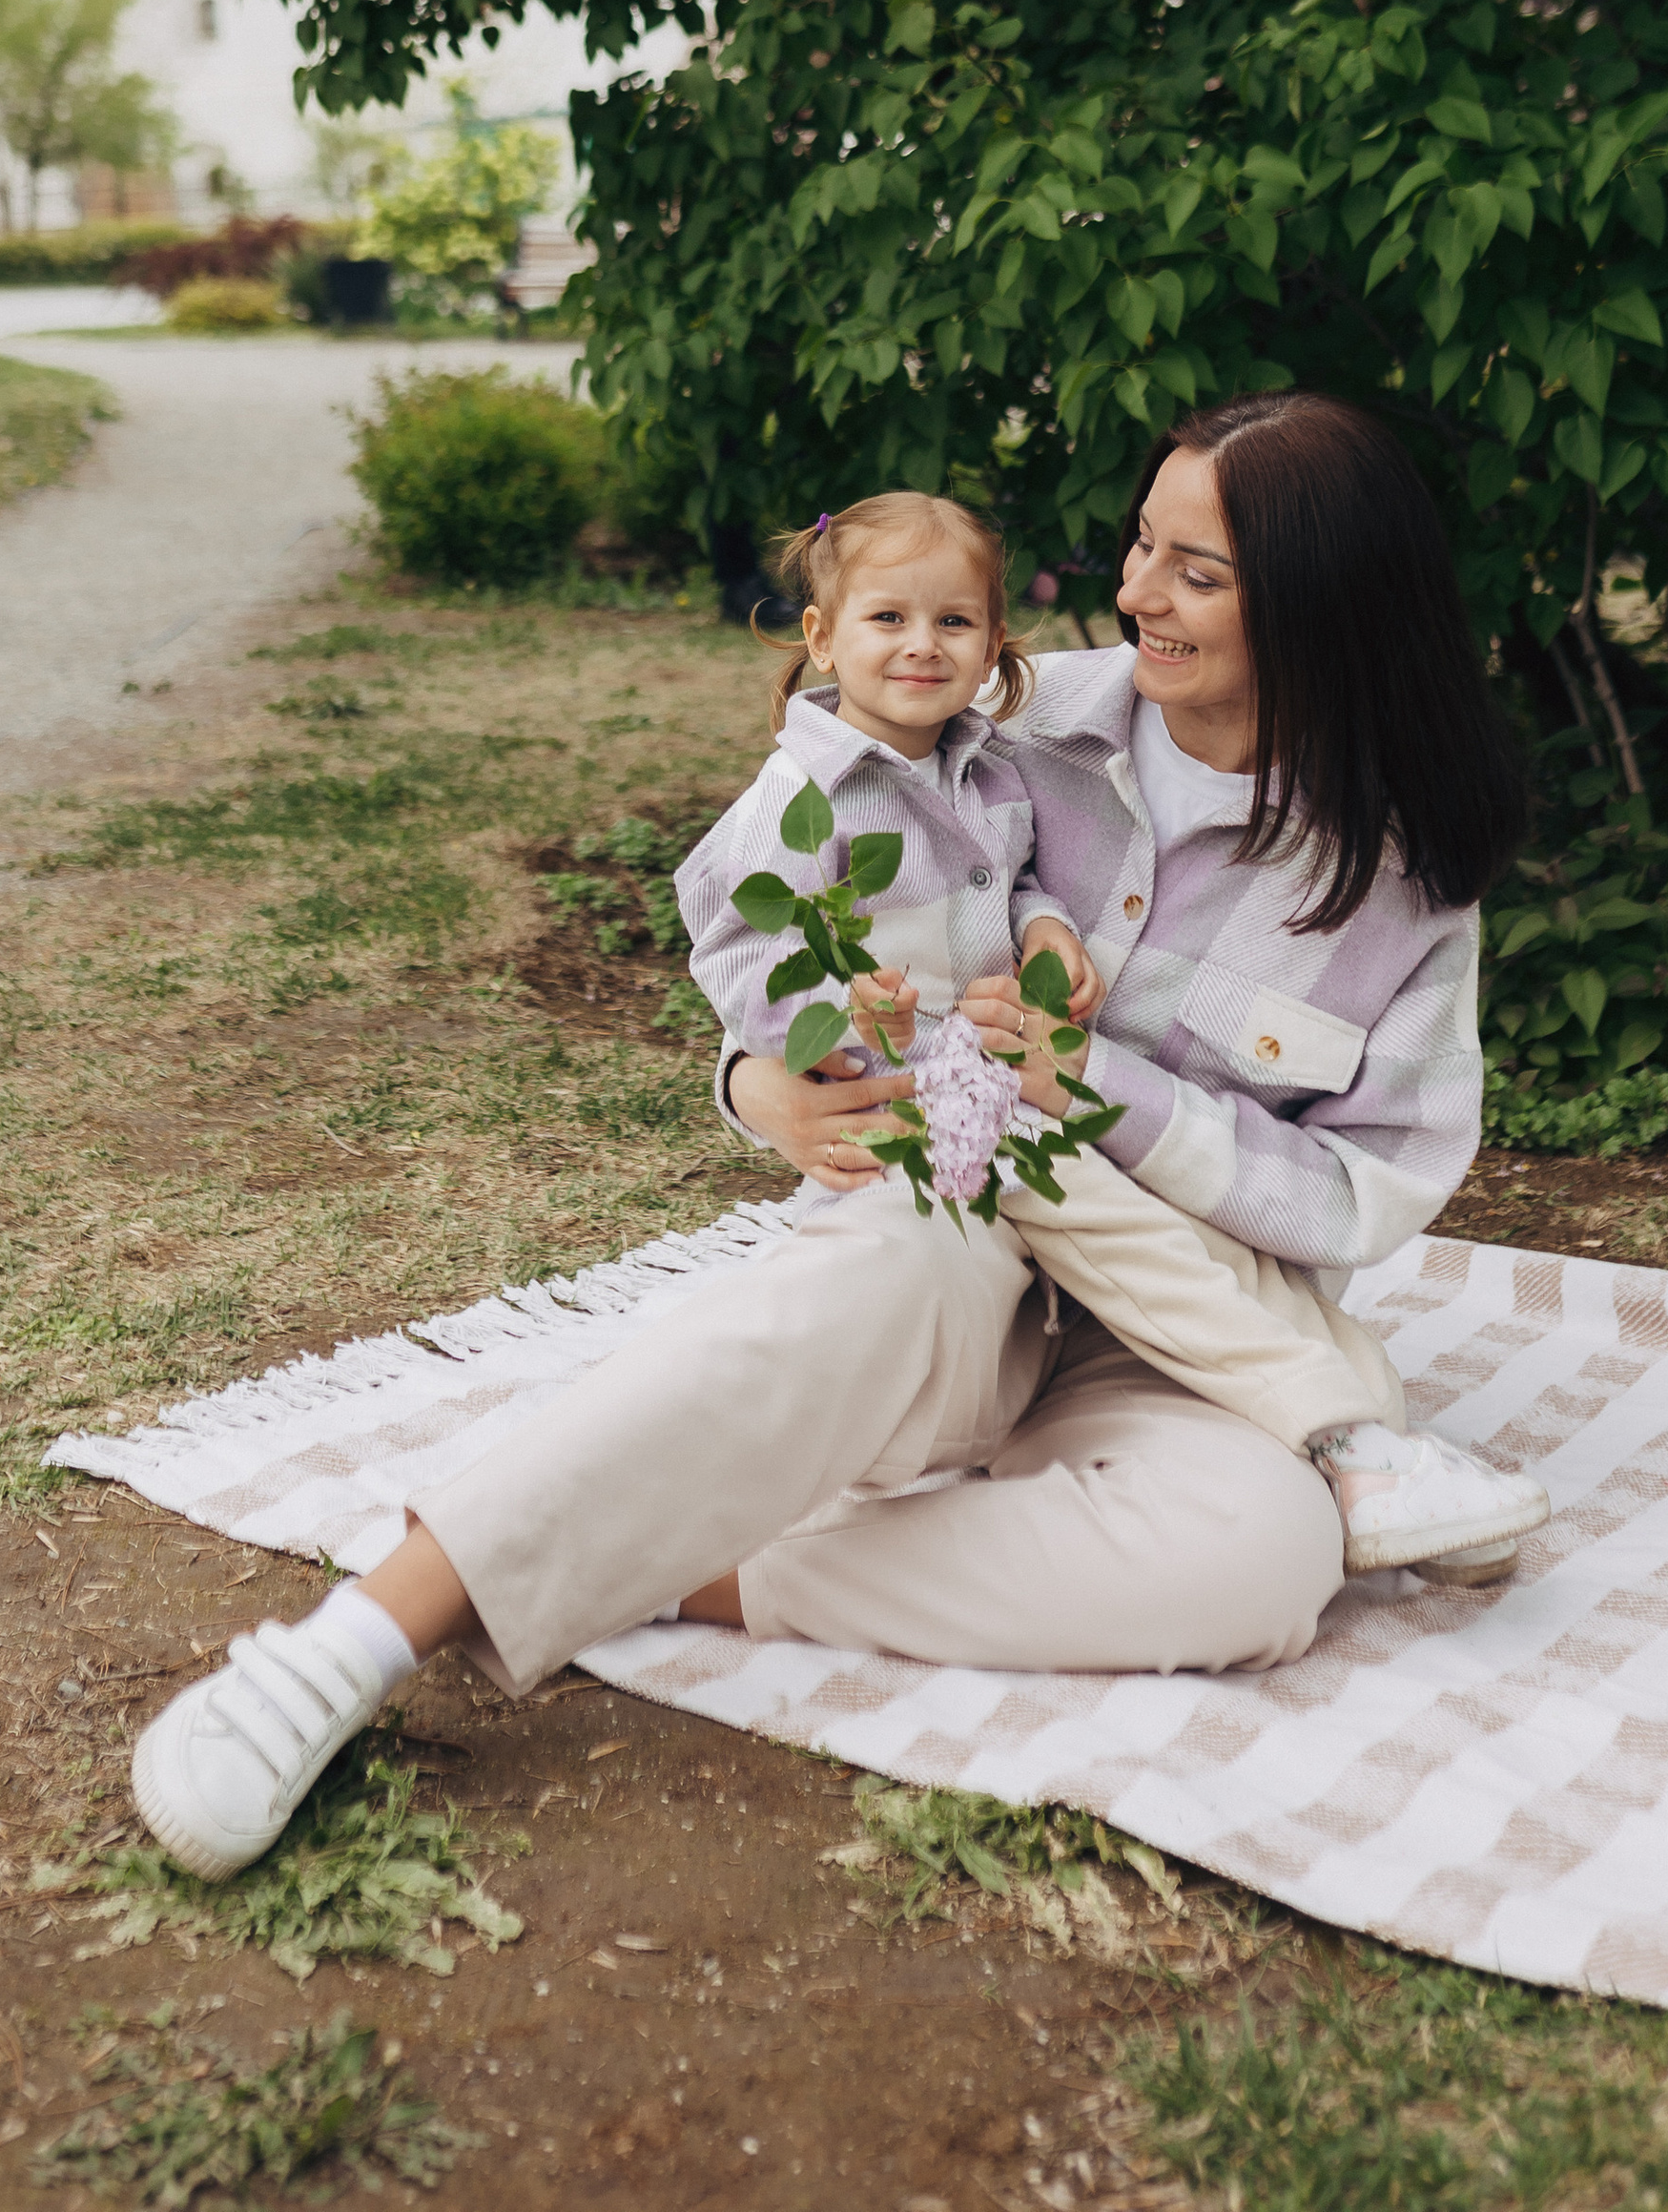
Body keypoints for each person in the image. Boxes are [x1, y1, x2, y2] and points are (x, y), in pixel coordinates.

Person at [129, 406, 1542, 1882]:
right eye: (1141, 545)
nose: (1131, 593)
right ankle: (354, 1643)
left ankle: (688, 1569)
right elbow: (775, 913)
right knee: (862, 1280)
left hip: (1185, 1326)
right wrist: (760, 1085)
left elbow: (1359, 1196)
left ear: (1319, 602)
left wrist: (1102, 1090)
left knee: (1266, 1562)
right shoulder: (1002, 714)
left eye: (1195, 573)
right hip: (958, 1224)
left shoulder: (1404, 880)